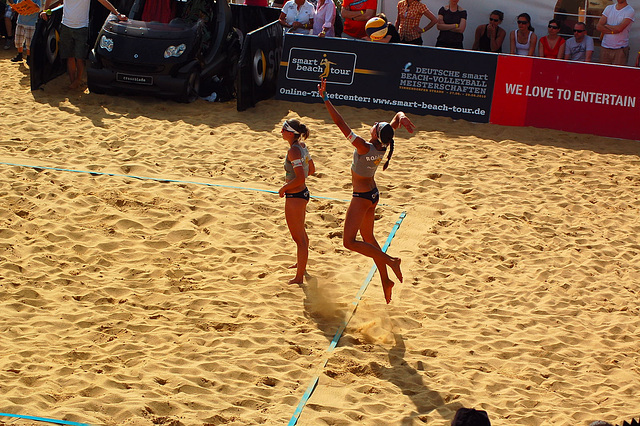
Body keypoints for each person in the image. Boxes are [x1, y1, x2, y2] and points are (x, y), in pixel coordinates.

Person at [317, 78, 415, 304]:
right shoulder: (383, 144)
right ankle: (385, 279)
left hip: (361, 198)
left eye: (374, 125)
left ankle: (391, 261)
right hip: (372, 195)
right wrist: (401, 116)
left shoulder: (363, 145)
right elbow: (393, 123)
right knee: (369, 238)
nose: (373, 123)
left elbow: (341, 124)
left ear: (374, 134)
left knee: (349, 242)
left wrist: (325, 98)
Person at [40, 0, 126, 89]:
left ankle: (78, 79)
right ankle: (73, 81)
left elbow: (103, 1)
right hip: (66, 25)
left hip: (81, 28)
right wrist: (45, 10)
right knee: (70, 56)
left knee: (79, 57)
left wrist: (117, 13)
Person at [278, 119, 316, 285]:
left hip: (295, 197)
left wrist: (284, 188)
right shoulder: (302, 147)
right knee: (301, 234)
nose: (281, 132)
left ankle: (299, 277)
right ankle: (301, 266)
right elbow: (312, 170)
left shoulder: (293, 151)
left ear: (290, 132)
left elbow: (300, 177)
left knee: (298, 238)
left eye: (283, 129)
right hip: (303, 194)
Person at [596, 0, 635, 66]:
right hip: (605, 47)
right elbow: (599, 26)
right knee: (603, 73)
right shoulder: (609, 8)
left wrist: (607, 26)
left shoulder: (630, 10)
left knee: (618, 74)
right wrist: (613, 31)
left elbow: (620, 28)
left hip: (620, 49)